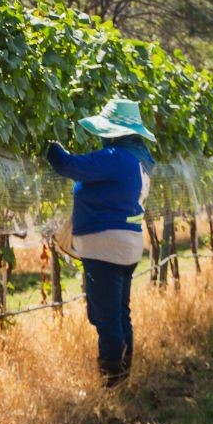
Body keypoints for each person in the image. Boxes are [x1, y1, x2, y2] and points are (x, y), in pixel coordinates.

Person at [45, 97, 157, 388]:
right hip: (127, 244)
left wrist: (50, 146)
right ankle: (123, 375)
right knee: (119, 311)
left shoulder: (116, 158)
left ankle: (112, 382)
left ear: (115, 131)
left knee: (105, 315)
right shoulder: (139, 161)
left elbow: (67, 164)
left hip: (106, 246)